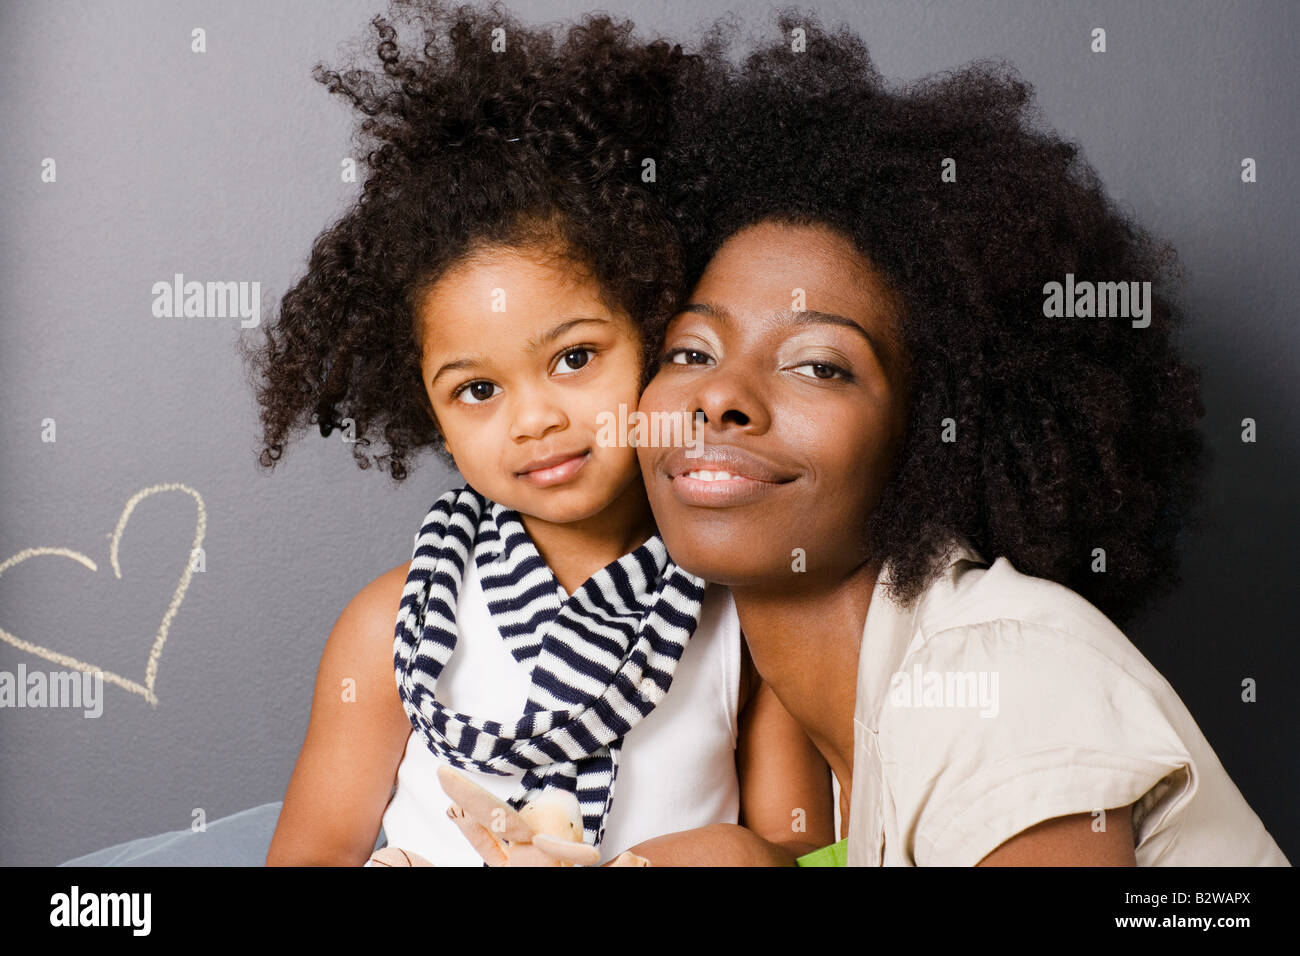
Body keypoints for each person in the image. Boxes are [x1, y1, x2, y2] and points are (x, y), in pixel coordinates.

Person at [634, 11, 1291, 865]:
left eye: (818, 365)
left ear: (932, 436)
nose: (720, 395)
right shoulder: (833, 747)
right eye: (690, 350)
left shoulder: (993, 679)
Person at [245, 0, 832, 866]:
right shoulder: (392, 624)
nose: (534, 418)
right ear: (425, 408)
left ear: (656, 331)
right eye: (477, 388)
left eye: (574, 358)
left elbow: (798, 851)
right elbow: (312, 850)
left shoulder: (743, 612)